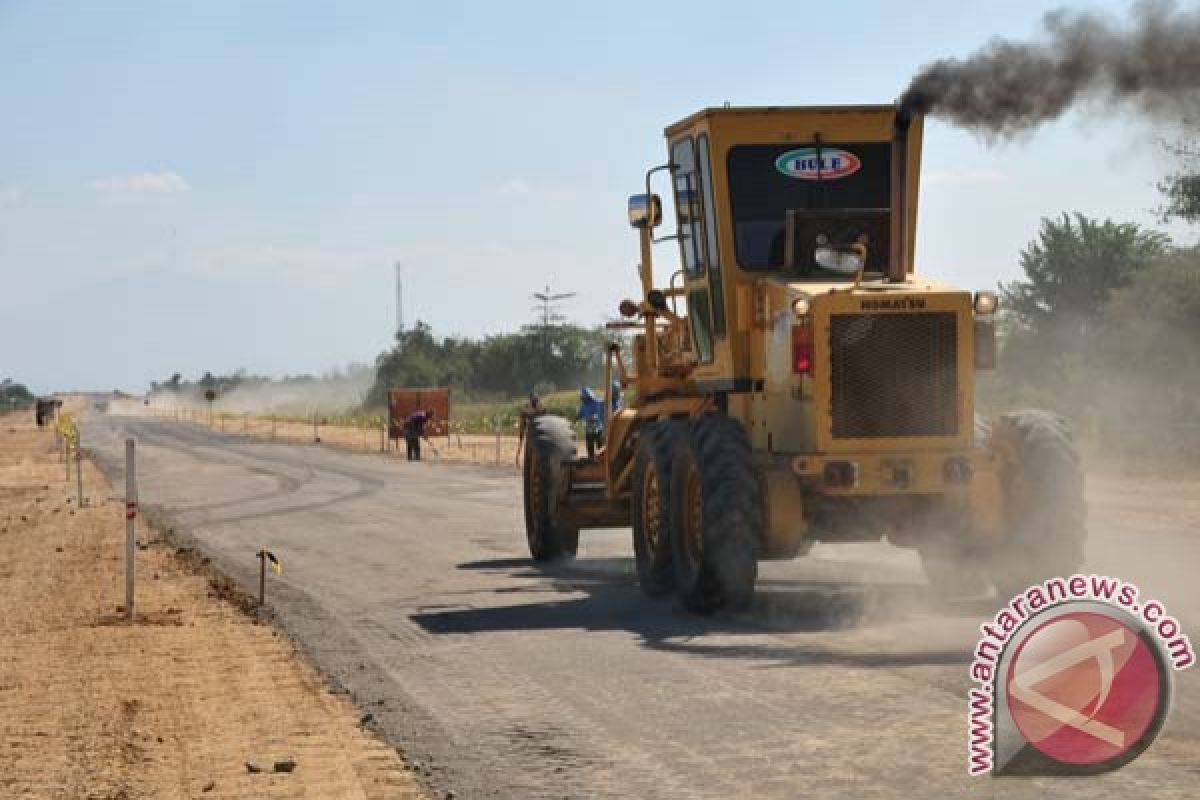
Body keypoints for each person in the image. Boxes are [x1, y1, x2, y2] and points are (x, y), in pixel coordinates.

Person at [515, 393, 544, 466]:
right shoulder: (541, 410)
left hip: (534, 435)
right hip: (537, 435)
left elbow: (522, 425)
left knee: (531, 456)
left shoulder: (527, 411)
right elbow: (522, 425)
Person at [577, 387, 605, 461]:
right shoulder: (584, 405)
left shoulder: (597, 402)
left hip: (597, 428)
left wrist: (592, 417)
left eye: (583, 396)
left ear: (587, 396)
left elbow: (597, 413)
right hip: (588, 428)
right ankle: (591, 459)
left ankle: (602, 459)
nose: (581, 397)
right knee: (590, 445)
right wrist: (577, 418)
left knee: (600, 445)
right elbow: (580, 414)